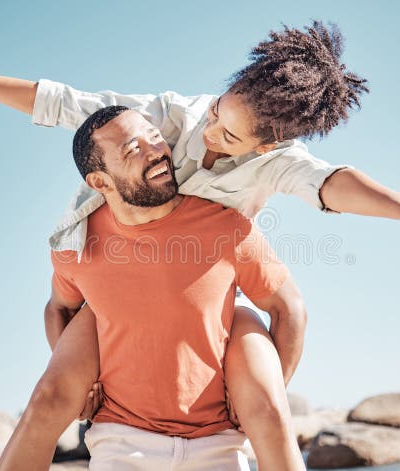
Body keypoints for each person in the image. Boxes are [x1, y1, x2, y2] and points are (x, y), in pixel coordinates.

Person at [0, 20, 400, 470]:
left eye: (233, 138)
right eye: (219, 114)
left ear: (269, 146)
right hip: (114, 267)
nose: (208, 137)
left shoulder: (274, 166)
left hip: (210, 285)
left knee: (266, 394)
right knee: (49, 394)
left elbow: (334, 185)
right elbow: (56, 102)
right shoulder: (167, 117)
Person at [17, 105, 305, 469]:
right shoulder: (78, 245)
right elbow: (58, 307)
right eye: (132, 149)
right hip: (122, 442)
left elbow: (288, 308)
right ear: (101, 182)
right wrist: (84, 387)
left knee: (246, 318)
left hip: (216, 444)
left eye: (154, 137)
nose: (155, 150)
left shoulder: (224, 225)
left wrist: (265, 395)